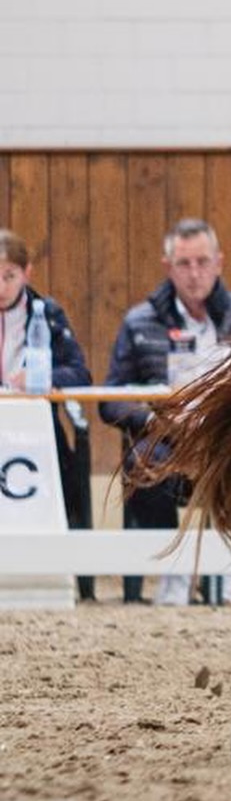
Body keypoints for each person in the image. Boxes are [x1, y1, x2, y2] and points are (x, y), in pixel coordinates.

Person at [99, 217, 231, 606]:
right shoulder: (140, 322)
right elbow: (111, 399)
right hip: (170, 440)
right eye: (184, 264)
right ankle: (169, 574)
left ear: (219, 262)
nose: (194, 274)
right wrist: (153, 422)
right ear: (167, 266)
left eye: (202, 262)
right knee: (144, 469)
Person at [0, 229, 96, 602]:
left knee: (65, 470)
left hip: (35, 434)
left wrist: (43, 379)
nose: (2, 286)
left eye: (9, 276)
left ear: (27, 274)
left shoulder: (47, 314)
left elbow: (80, 373)